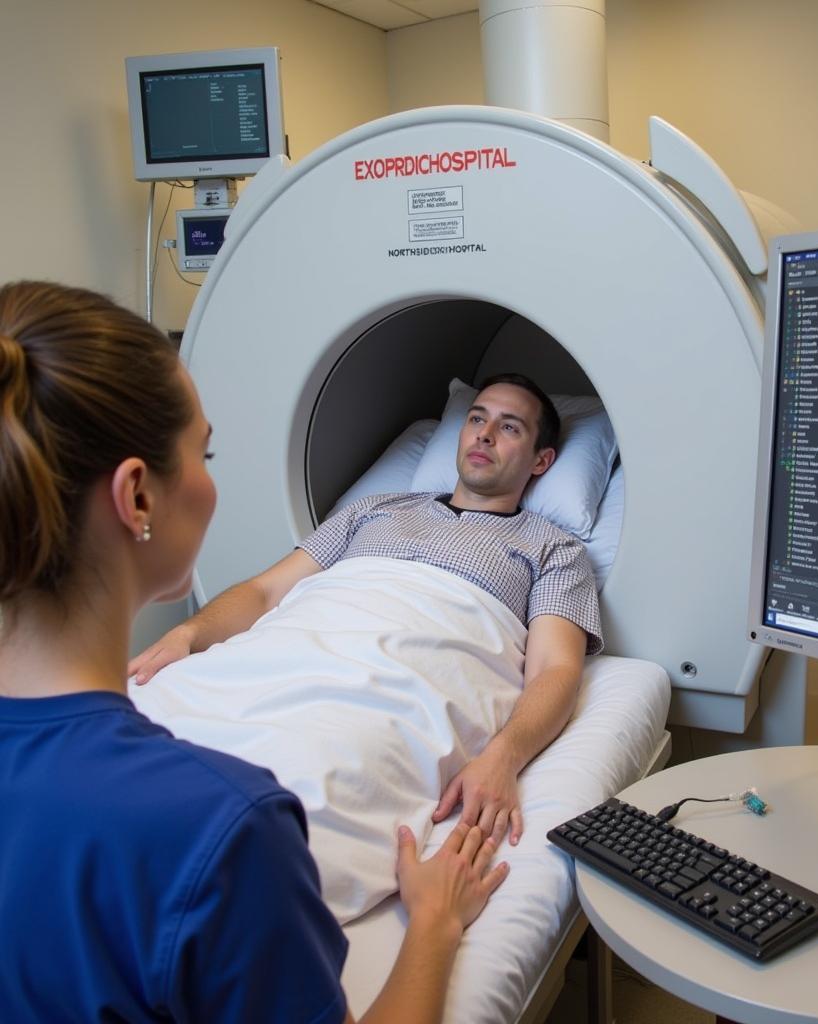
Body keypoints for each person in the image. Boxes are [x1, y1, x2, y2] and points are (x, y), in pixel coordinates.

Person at [0, 280, 507, 1024]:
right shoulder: (228, 829)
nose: (211, 480)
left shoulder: (543, 546)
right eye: (205, 452)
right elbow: (271, 592)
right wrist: (433, 924)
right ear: (137, 497)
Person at [131, 373, 604, 846]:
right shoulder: (375, 508)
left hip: (393, 689)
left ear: (542, 461)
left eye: (509, 427)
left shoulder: (552, 549)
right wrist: (188, 635)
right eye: (476, 418)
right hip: (286, 653)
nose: (483, 433)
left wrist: (504, 756)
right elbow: (265, 592)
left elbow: (555, 669)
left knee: (295, 791)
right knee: (137, 730)